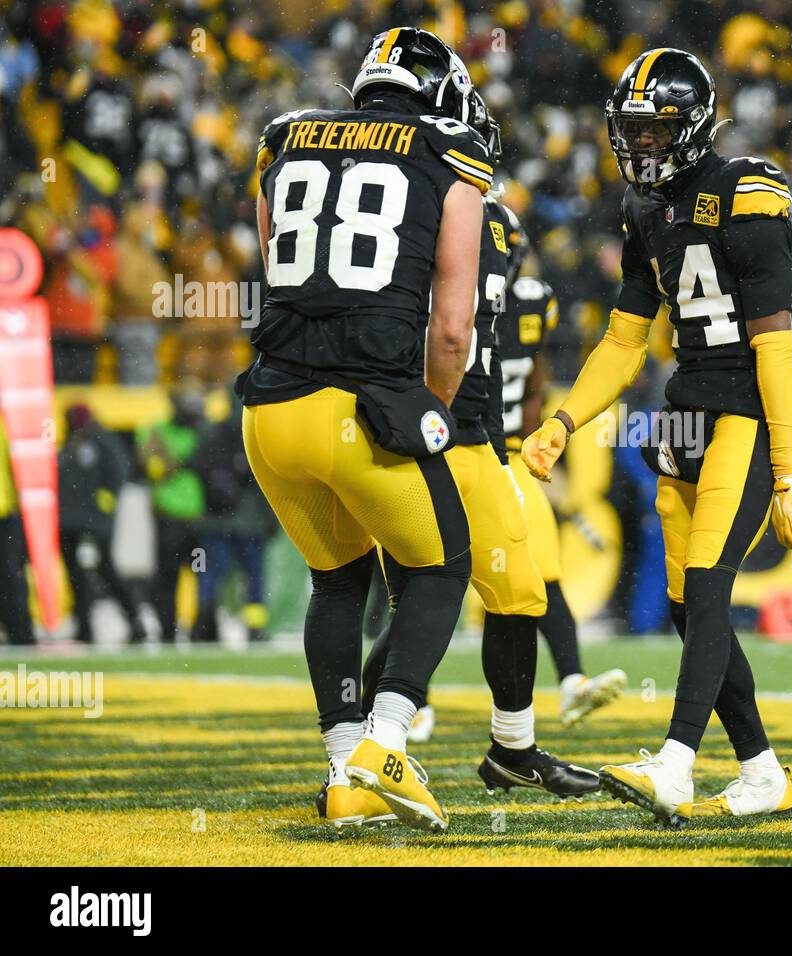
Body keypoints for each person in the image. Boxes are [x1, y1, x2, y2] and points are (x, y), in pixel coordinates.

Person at [522, 49, 792, 825]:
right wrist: (561, 421)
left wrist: (789, 466)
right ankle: (763, 775)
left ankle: (675, 766)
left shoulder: (745, 191)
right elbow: (622, 342)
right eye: (632, 131)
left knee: (710, 586)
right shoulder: (643, 210)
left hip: (743, 412)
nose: (641, 145)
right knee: (688, 604)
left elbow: (776, 346)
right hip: (683, 413)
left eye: (656, 131)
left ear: (693, 126)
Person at [238, 27, 488, 832]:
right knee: (443, 566)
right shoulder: (447, 151)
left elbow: (281, 260)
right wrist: (434, 406)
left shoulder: (284, 139)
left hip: (270, 411)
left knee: (336, 582)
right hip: (364, 406)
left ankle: (345, 773)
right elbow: (452, 329)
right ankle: (386, 741)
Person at [358, 91, 598, 802]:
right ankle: (366, 745)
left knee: (520, 593)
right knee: (419, 602)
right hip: (421, 430)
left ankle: (512, 749)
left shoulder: (494, 224)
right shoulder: (405, 207)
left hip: (480, 434)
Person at [495, 208, 627, 722]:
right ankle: (402, 703)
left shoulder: (529, 303)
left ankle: (570, 680)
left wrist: (530, 443)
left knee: (543, 574)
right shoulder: (451, 303)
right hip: (456, 451)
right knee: (430, 585)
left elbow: (533, 382)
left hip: (503, 454)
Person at [190, 399, 277, 643]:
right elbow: (266, 482)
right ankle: (255, 629)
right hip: (249, 522)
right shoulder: (256, 433)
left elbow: (196, 468)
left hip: (213, 521)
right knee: (254, 577)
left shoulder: (210, 433)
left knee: (207, 573)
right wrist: (271, 521)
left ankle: (203, 624)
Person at [58, 404, 145, 644]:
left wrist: (104, 503)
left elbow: (120, 469)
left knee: (104, 571)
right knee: (78, 577)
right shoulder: (68, 443)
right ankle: (84, 628)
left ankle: (134, 619)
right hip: (69, 524)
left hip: (93, 524)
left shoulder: (101, 440)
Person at [136, 388, 206, 642]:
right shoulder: (156, 431)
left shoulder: (202, 432)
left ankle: (202, 632)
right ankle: (168, 631)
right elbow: (153, 468)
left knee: (203, 576)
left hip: (198, 521)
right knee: (168, 578)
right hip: (170, 520)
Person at [0, 415, 33, 645]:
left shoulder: (7, 422)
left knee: (11, 575)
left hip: (6, 510)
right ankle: (20, 632)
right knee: (11, 574)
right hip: (7, 508)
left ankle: (20, 632)